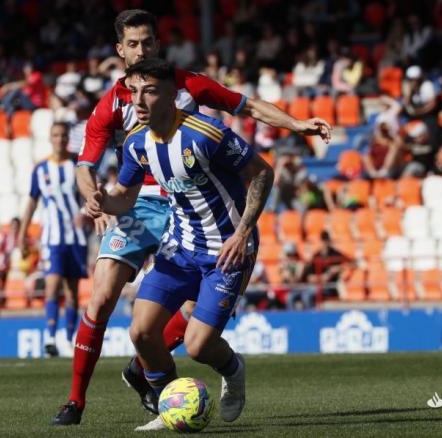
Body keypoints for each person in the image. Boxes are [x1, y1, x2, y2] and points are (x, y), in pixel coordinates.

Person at [52, 9, 331, 426]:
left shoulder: (189, 95)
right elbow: (87, 167)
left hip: (195, 207)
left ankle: (162, 371)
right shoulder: (116, 110)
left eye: (148, 42)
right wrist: (96, 200)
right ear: (119, 50)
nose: (141, 50)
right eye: (132, 44)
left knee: (195, 332)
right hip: (145, 203)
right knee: (105, 294)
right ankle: (77, 400)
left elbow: (248, 107)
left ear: (158, 47)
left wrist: (295, 124)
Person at [91, 59, 273, 431]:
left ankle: (234, 371)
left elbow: (262, 172)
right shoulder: (136, 142)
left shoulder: (207, 134)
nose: (138, 100)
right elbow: (124, 195)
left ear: (173, 95)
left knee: (198, 346)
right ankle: (167, 405)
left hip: (227, 249)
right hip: (180, 248)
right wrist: (103, 201)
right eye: (134, 91)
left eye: (150, 90)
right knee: (141, 332)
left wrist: (242, 234)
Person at [18, 122, 88, 358]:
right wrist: (22, 233)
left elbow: (90, 194)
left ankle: (68, 340)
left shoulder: (77, 165)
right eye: (55, 135)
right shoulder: (40, 169)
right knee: (52, 285)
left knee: (72, 292)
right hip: (52, 238)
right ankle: (49, 337)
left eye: (63, 135)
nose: (59, 139)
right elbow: (32, 201)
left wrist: (86, 212)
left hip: (75, 237)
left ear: (68, 138)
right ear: (50, 138)